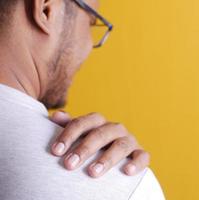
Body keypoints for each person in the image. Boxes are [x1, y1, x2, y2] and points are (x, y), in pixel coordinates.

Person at [0, 0, 166, 199]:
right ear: (46, 9)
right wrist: (128, 183)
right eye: (91, 21)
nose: (89, 46)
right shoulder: (115, 183)